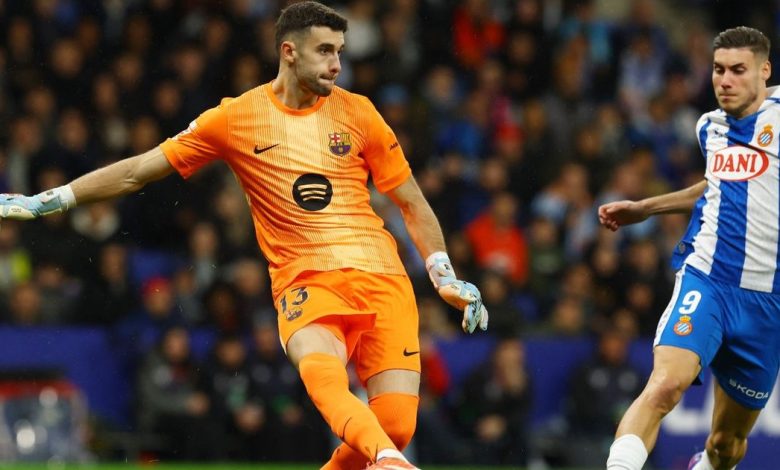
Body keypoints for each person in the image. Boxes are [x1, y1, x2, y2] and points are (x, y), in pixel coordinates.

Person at [0, 2, 488, 469]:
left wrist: (442, 273)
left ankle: (387, 455)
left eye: (340, 51)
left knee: (395, 427)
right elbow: (137, 171)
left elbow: (412, 202)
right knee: (328, 379)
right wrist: (52, 198)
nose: (337, 64)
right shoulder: (236, 117)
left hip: (382, 276)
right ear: (289, 51)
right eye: (325, 51)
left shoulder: (359, 113)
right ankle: (390, 463)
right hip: (306, 280)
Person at [599, 26, 780, 470]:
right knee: (664, 386)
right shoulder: (709, 127)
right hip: (708, 281)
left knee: (726, 444)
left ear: (765, 71)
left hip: (767, 302)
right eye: (719, 70)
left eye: (738, 70)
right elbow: (718, 183)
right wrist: (646, 208)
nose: (725, 81)